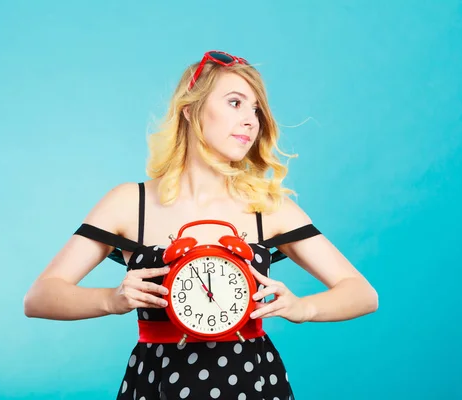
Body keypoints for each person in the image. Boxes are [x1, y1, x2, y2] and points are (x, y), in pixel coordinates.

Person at [24, 50, 379, 400]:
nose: (251, 120)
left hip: (252, 383)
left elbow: (362, 294)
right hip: (158, 382)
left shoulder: (268, 207)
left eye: (256, 110)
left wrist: (304, 308)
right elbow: (39, 298)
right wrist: (111, 300)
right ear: (190, 110)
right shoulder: (130, 203)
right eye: (235, 103)